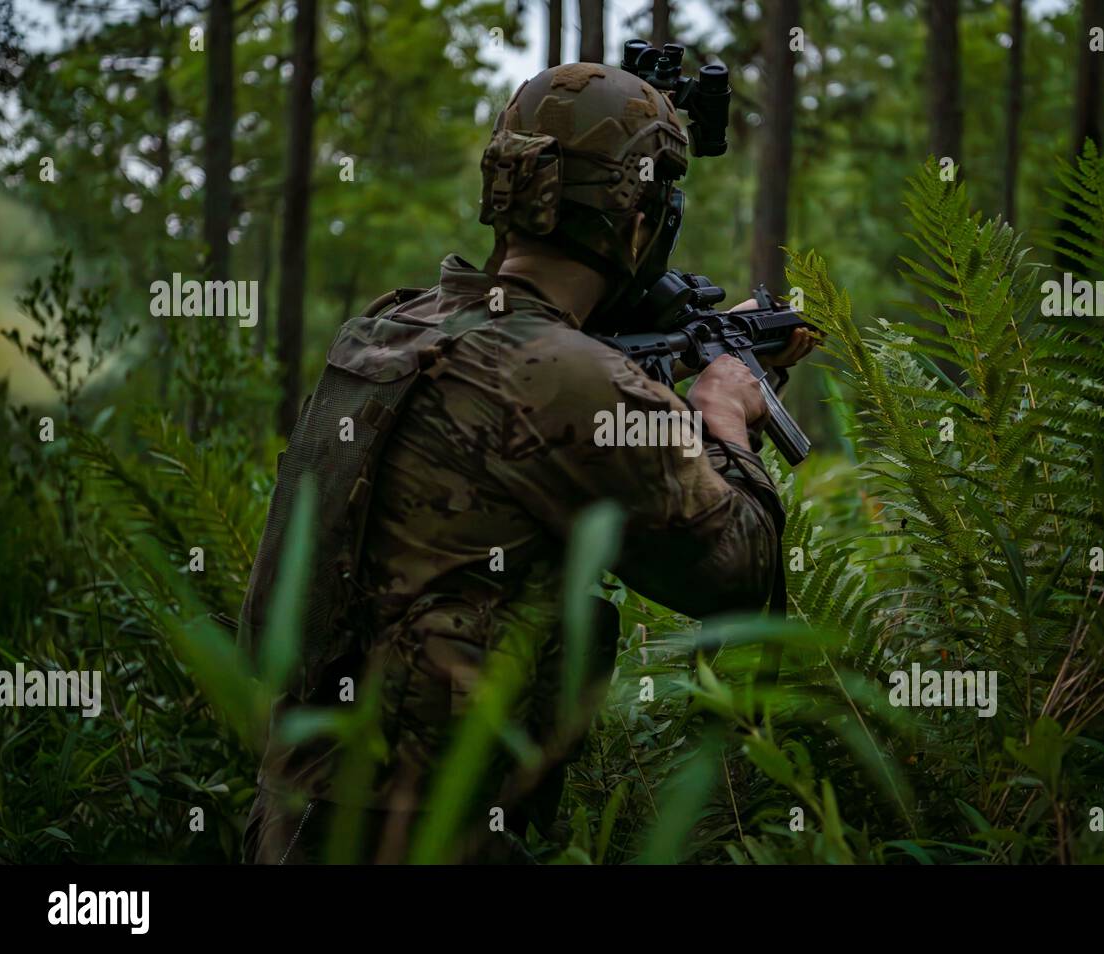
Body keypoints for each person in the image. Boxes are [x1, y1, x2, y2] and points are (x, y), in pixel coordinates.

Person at [241, 61, 815, 864]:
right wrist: (723, 404)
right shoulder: (575, 382)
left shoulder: (394, 326)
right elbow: (736, 572)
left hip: (293, 810)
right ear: (643, 218)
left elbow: (526, 398)